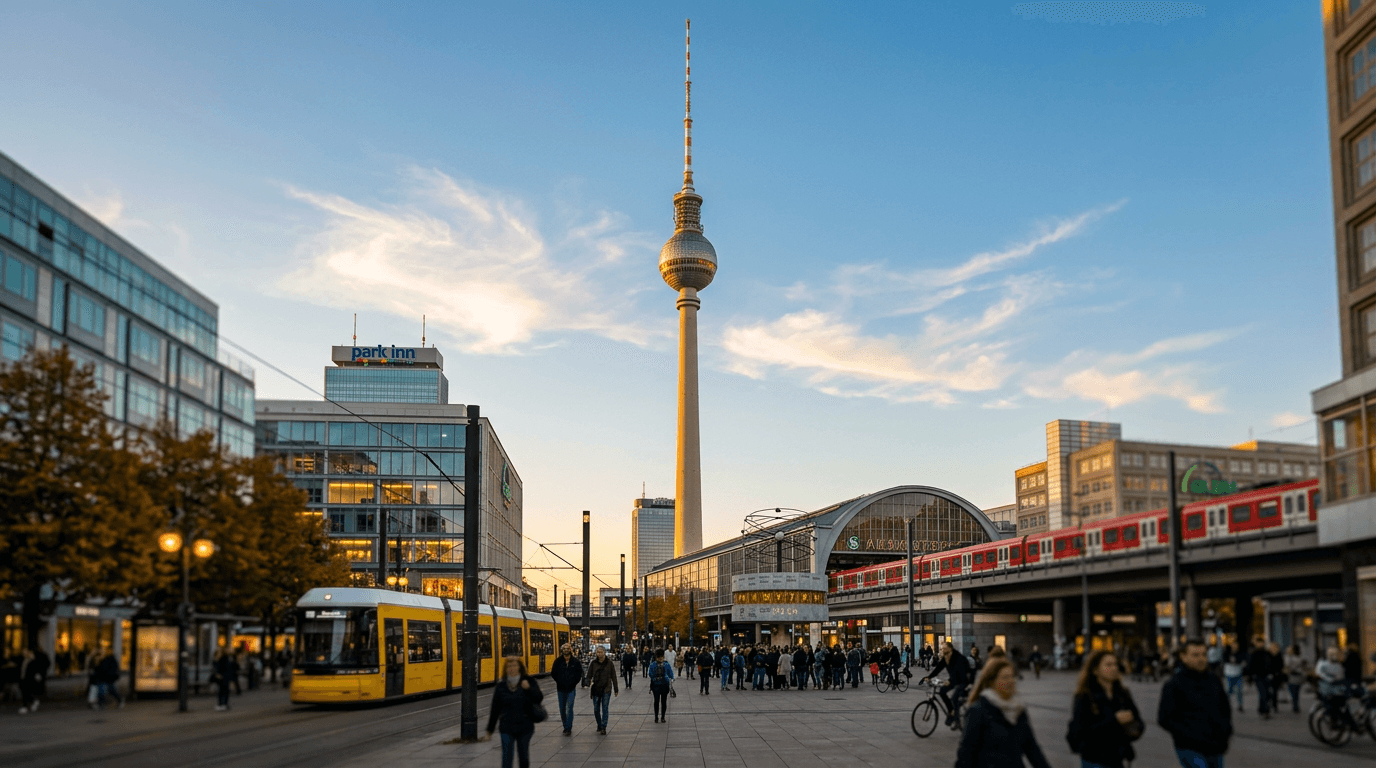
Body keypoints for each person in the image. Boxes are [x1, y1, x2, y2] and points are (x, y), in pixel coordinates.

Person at [955, 658, 1053, 768]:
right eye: (1005, 677)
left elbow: (1032, 749)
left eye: (1012, 676)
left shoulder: (1018, 709)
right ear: (992, 681)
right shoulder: (978, 711)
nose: (1011, 681)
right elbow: (966, 754)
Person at [1158, 638, 1231, 768]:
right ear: (1183, 657)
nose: (1201, 659)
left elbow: (1224, 709)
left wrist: (1225, 734)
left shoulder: (1214, 681)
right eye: (1195, 655)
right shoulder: (1174, 684)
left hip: (1215, 746)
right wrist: (1188, 735)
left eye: (1203, 654)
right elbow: (1164, 718)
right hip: (1190, 747)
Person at [1068, 650, 1143, 768]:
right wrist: (1115, 720)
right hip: (1095, 760)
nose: (1114, 668)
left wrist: (1134, 728)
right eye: (1108, 665)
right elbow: (1081, 732)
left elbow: (1139, 722)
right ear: (1095, 670)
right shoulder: (1085, 696)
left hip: (1119, 759)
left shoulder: (1123, 693)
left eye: (1115, 664)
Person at [482, 657, 545, 768]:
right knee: (507, 759)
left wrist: (529, 688)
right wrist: (489, 730)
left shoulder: (529, 681)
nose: (512, 668)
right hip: (507, 727)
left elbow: (538, 698)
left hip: (525, 726)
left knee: (523, 758)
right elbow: (495, 709)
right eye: (509, 666)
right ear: (505, 669)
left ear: (520, 667)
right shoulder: (501, 686)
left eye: (514, 666)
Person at [922, 642, 972, 727]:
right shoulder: (945, 658)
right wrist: (929, 677)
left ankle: (956, 719)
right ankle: (951, 711)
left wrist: (950, 681)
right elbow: (938, 669)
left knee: (954, 698)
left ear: (950, 648)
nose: (942, 650)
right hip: (954, 679)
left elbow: (960, 673)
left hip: (963, 680)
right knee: (942, 691)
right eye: (942, 648)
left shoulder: (958, 657)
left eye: (944, 648)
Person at [550, 644, 584, 736]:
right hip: (560, 689)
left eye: (567, 648)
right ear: (562, 650)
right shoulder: (558, 661)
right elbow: (553, 673)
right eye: (564, 649)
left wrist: (574, 682)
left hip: (571, 689)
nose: (565, 650)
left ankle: (568, 728)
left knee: (569, 708)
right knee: (562, 709)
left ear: (570, 650)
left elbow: (579, 673)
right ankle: (565, 726)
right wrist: (559, 681)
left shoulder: (575, 662)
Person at [586, 645, 617, 734]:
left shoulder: (609, 663)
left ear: (604, 652)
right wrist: (588, 682)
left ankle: (603, 726)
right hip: (596, 688)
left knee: (605, 708)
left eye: (601, 652)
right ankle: (599, 724)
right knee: (596, 708)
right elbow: (589, 675)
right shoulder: (593, 663)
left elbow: (613, 676)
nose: (599, 654)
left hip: (606, 688)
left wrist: (616, 688)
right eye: (598, 652)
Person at [1243, 636, 1272, 719]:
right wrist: (1250, 675)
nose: (1260, 644)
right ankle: (1265, 711)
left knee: (1266, 693)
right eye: (1259, 642)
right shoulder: (1253, 653)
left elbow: (1270, 663)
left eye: (1261, 642)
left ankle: (1262, 709)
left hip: (1266, 675)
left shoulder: (1267, 652)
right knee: (1263, 693)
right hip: (1258, 676)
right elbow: (1250, 665)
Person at [17, 647, 49, 715]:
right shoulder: (24, 659)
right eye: (23, 651)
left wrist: (38, 675)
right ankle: (33, 701)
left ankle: (25, 706)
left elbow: (37, 668)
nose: (23, 653)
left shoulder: (33, 660)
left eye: (25, 651)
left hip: (29, 679)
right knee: (25, 693)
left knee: (26, 693)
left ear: (29, 652)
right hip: (22, 678)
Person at [648, 649, 674, 723]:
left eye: (661, 657)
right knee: (656, 701)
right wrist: (655, 678)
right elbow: (650, 674)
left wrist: (672, 678)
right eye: (659, 657)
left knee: (664, 701)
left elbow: (670, 672)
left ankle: (663, 716)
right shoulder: (653, 664)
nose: (660, 659)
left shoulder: (666, 664)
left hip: (664, 685)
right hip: (656, 685)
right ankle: (656, 716)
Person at [1282, 644, 1308, 714]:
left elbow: (1302, 665)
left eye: (1290, 649)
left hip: (1296, 676)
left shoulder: (1294, 657)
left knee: (1295, 691)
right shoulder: (1289, 657)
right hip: (1292, 676)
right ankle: (1295, 705)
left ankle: (1295, 705)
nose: (1289, 651)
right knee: (1294, 691)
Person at [1221, 641, 1244, 713]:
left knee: (1239, 691)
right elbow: (1224, 660)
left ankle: (1240, 705)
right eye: (1233, 645)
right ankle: (1227, 705)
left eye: (1236, 645)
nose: (1234, 646)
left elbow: (1242, 661)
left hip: (1238, 673)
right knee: (1228, 690)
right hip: (1229, 674)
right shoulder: (1226, 652)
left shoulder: (1240, 653)